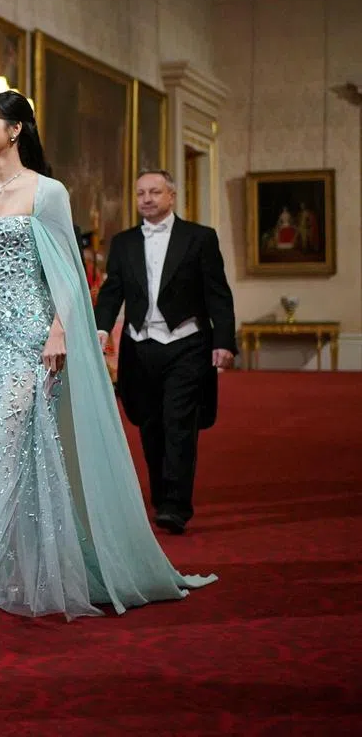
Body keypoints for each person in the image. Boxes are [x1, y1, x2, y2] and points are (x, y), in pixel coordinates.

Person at [0, 90, 216, 622]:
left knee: (6, 441)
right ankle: (14, 566)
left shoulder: (48, 192)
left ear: (16, 130)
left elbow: (69, 275)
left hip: (32, 339)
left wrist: (59, 331)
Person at [94, 169, 237, 535]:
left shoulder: (199, 238)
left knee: (179, 423)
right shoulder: (124, 243)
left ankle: (176, 504)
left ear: (171, 196)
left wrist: (223, 340)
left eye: (155, 192)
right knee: (149, 423)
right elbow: (113, 292)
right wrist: (99, 328)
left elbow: (217, 293)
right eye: (141, 193)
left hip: (187, 343)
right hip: (140, 346)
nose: (147, 199)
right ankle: (161, 495)